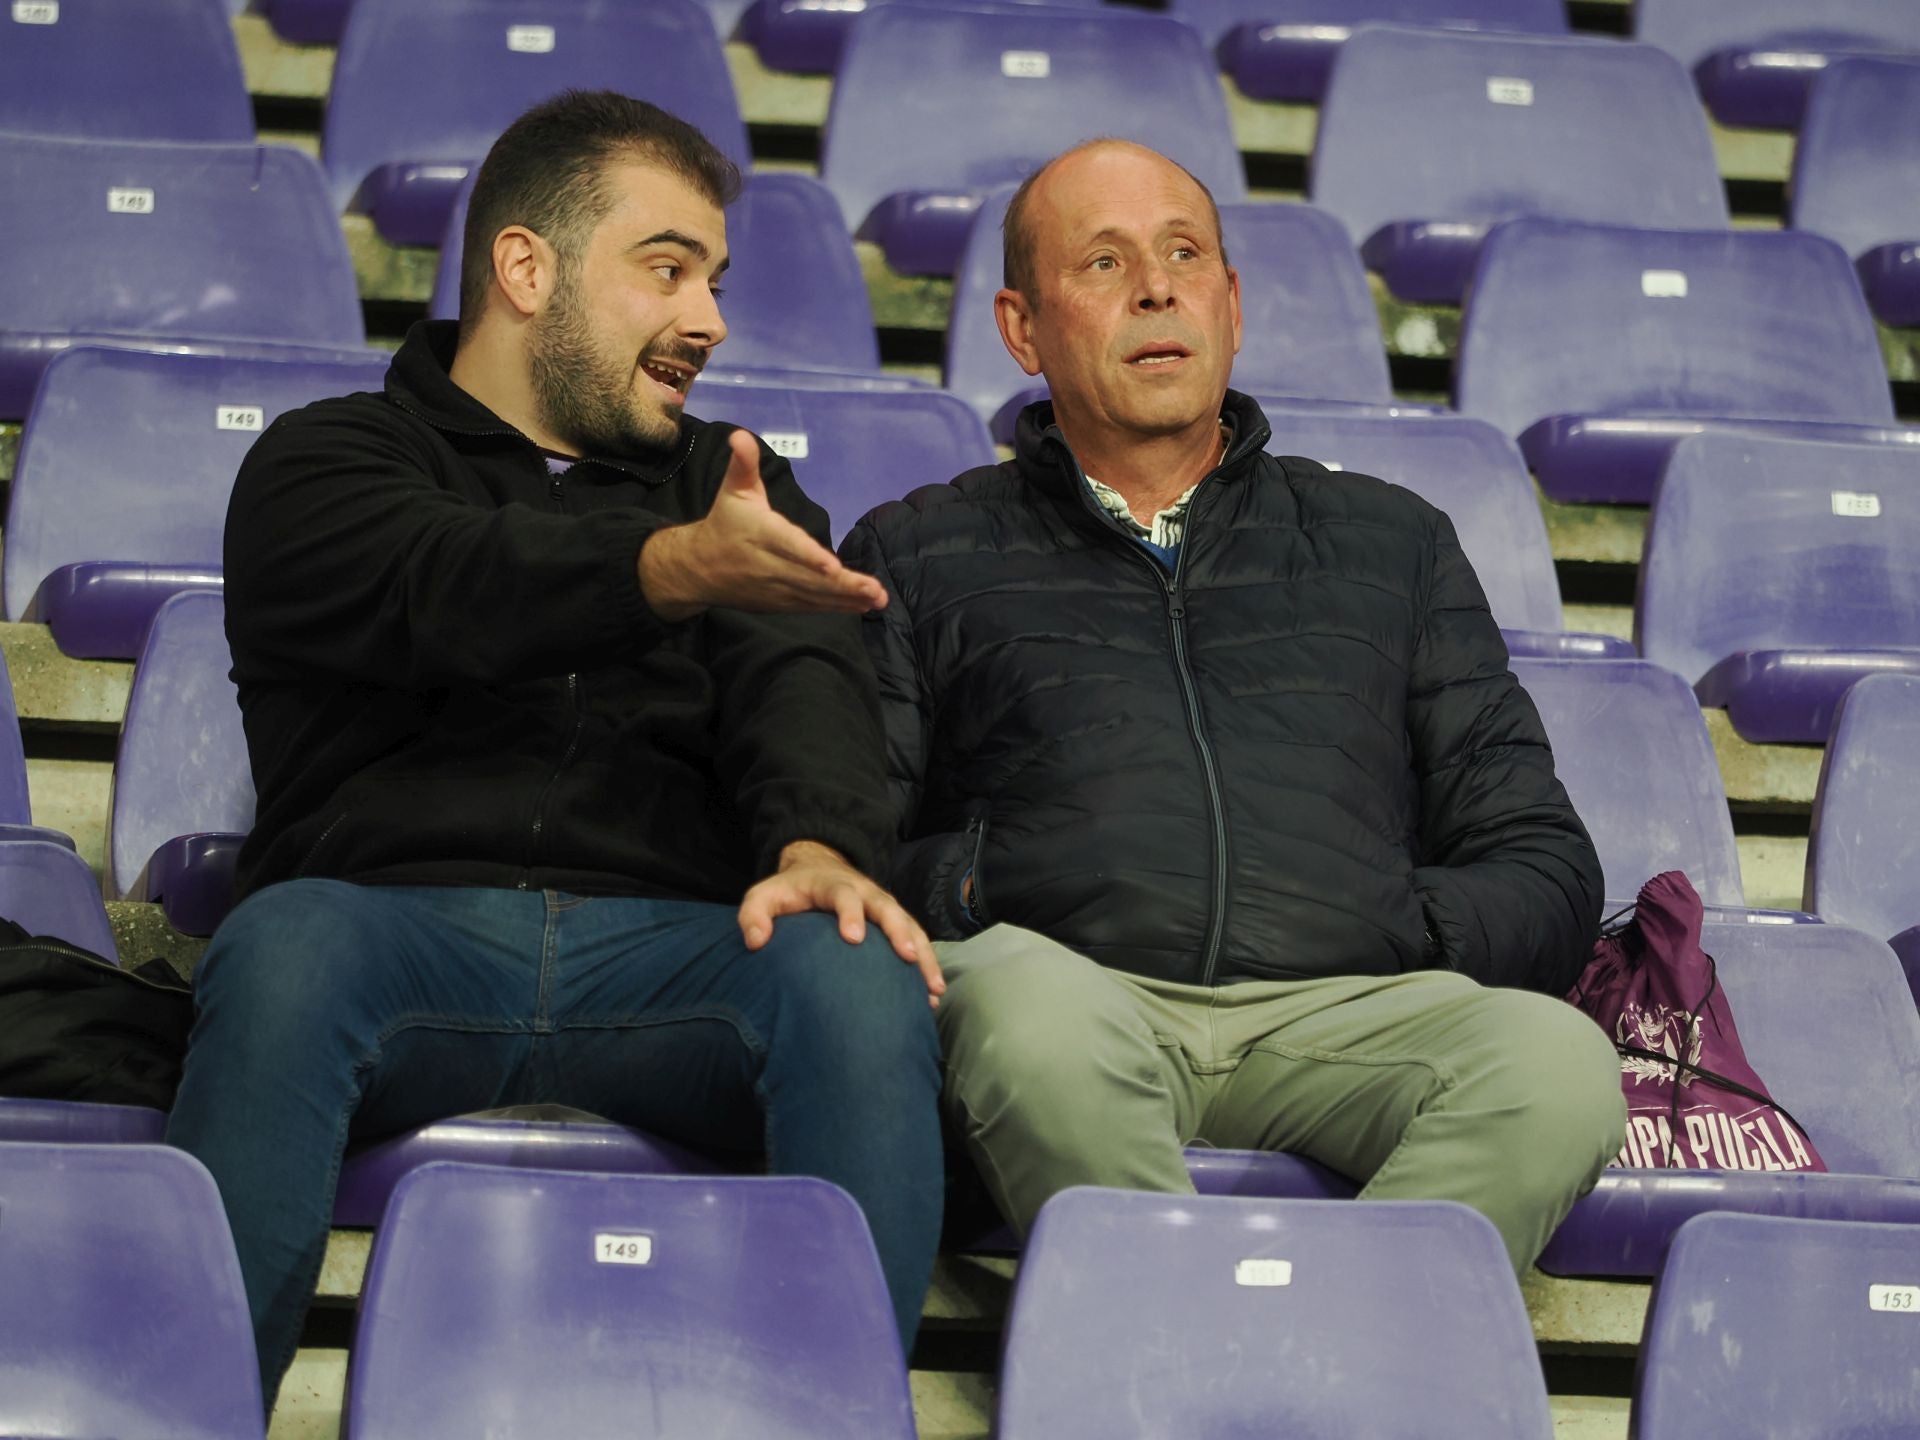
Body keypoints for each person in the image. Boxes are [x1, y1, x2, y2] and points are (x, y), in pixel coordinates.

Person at [165, 90, 944, 1406]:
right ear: (526, 269)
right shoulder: (327, 460)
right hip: (386, 929)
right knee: (284, 950)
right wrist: (666, 568)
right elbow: (449, 580)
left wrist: (819, 843)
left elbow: (802, 672)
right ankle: (192, 1412)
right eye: (668, 269)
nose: (709, 319)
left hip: (676, 954)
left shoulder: (731, 485)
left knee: (855, 968)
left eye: (715, 280)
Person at [840, 138, 1626, 1271]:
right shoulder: (916, 551)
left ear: (1232, 303)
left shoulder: (1391, 543)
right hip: (1071, 1000)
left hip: (1341, 1016)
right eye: (1104, 263)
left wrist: (1396, 926)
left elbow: (1543, 859)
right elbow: (846, 846)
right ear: (1022, 329)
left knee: (1555, 1066)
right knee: (1033, 1014)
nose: (1157, 289)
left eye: (1183, 255)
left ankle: (1311, 1355)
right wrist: (981, 888)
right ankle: (1202, 1343)